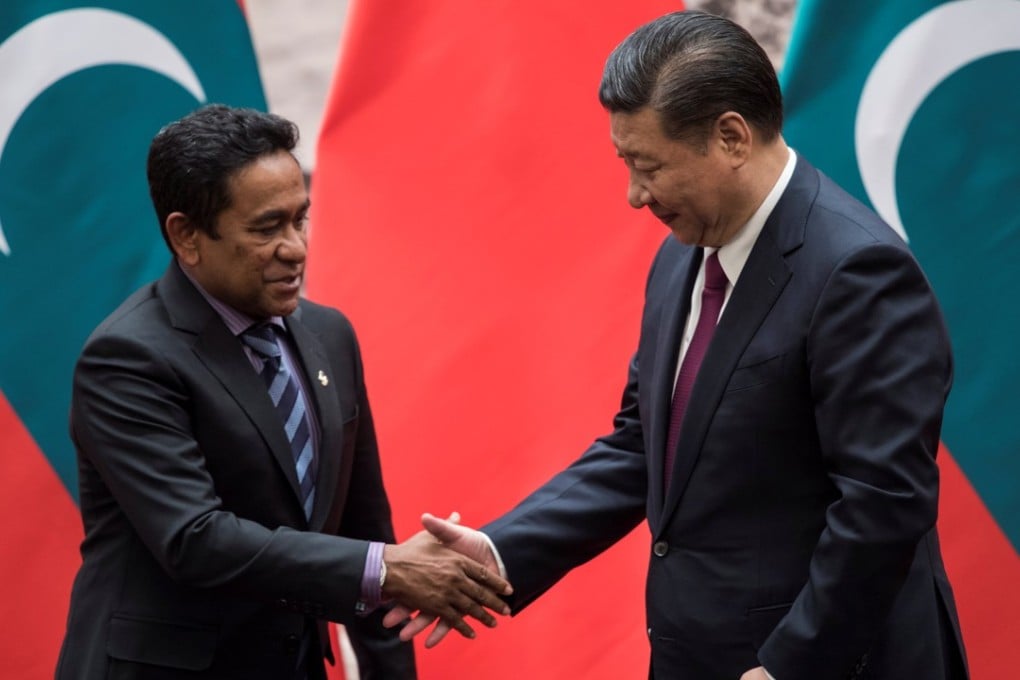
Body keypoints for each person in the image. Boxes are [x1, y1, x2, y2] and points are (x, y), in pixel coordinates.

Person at [387, 10, 968, 680]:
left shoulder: (858, 273)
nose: (635, 195)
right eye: (624, 163)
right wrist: (500, 551)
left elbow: (881, 507)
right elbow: (645, 445)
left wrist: (789, 666)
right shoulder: (682, 257)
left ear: (730, 138)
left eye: (649, 166)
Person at [56, 104, 511, 680]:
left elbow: (362, 527)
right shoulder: (128, 358)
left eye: (301, 219)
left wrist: (388, 663)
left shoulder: (329, 334)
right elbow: (195, 539)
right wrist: (387, 569)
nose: (295, 248)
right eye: (267, 228)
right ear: (187, 236)